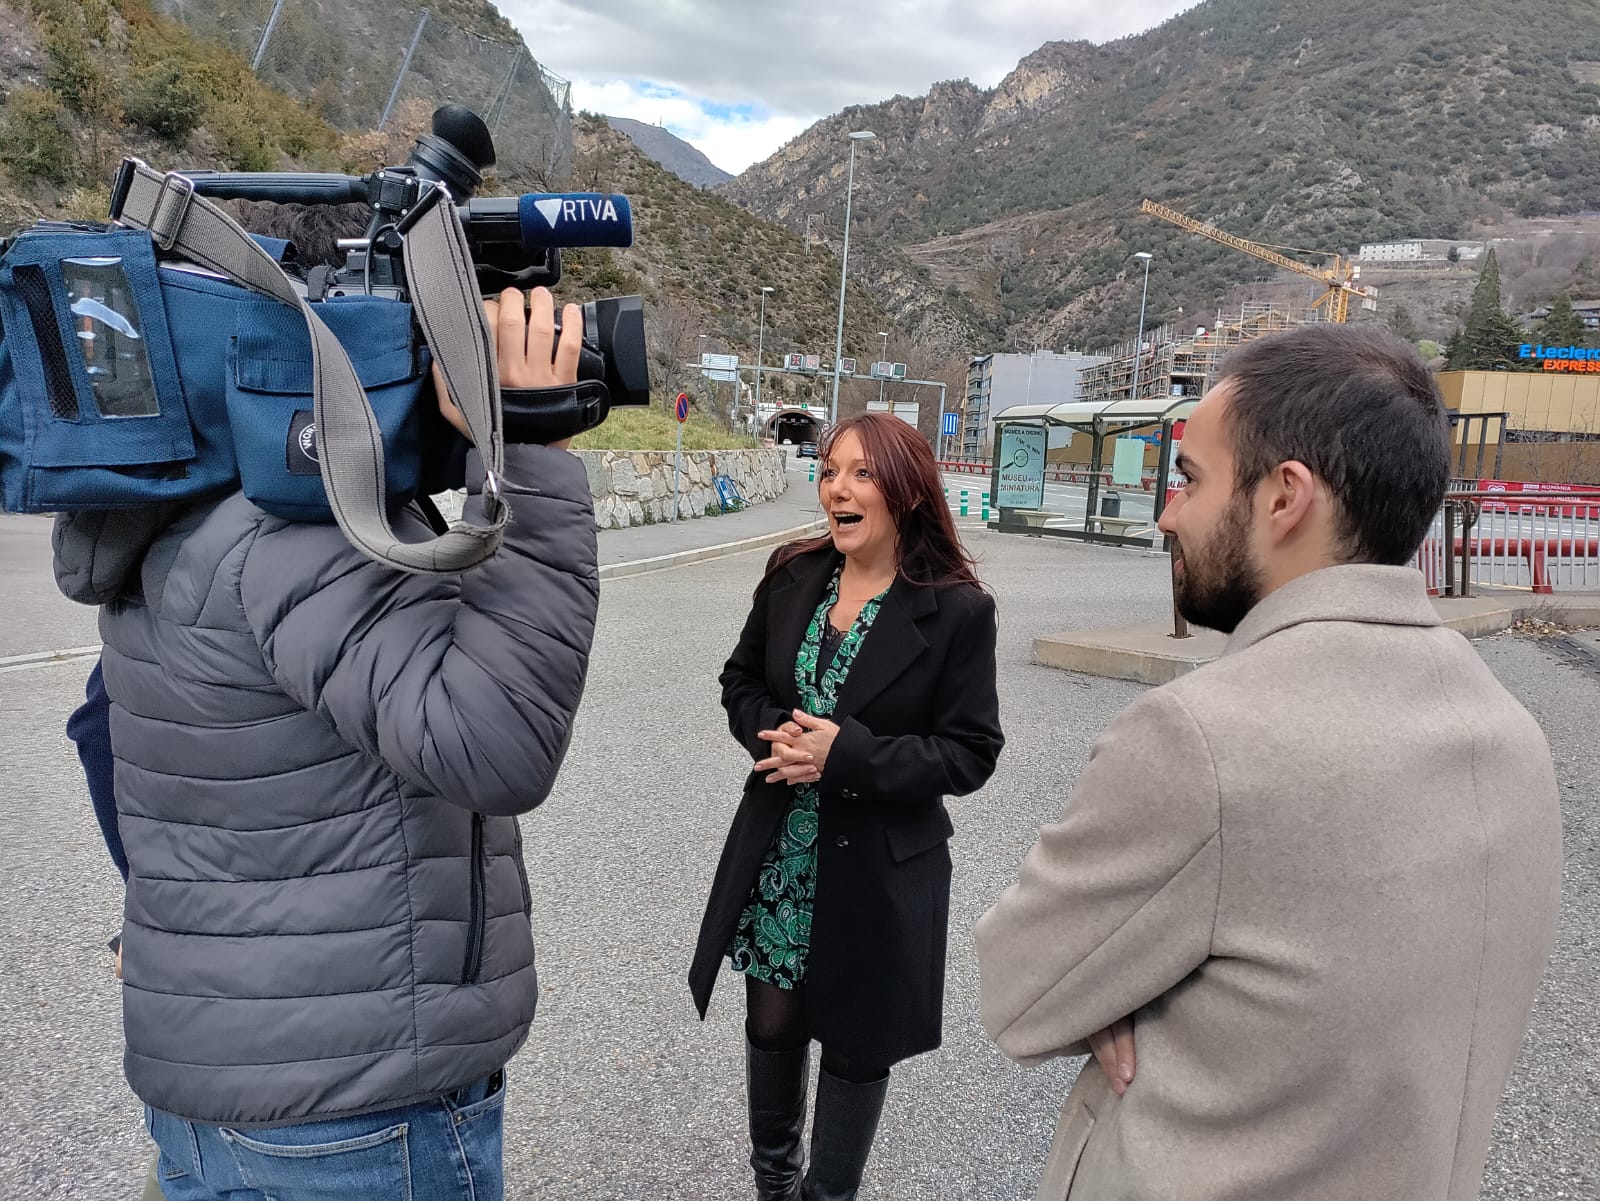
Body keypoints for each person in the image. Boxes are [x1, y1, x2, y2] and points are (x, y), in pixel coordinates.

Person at [974, 324, 1563, 1201]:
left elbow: (1018, 988)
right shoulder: (1515, 738)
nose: (1170, 513)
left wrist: (1120, 989)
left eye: (1191, 479)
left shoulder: (1199, 738)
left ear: (1285, 496)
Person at [51, 286, 600, 1201]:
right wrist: (532, 455)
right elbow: (497, 742)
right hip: (354, 1118)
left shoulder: (169, 515)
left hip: (215, 1091)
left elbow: (103, 725)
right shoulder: (296, 535)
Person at [690, 413, 1005, 1201]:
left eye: (862, 473)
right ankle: (773, 1186)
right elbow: (739, 681)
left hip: (879, 870)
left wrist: (846, 755)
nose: (839, 487)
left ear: (905, 491)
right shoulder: (791, 572)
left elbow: (970, 751)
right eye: (831, 470)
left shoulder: (958, 609)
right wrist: (779, 735)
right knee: (771, 1025)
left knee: (858, 1046)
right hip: (780, 855)